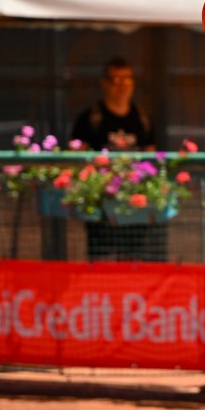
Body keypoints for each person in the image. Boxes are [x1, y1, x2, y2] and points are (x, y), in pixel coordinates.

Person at [70, 57, 164, 262]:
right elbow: (77, 157)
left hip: (134, 206)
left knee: (134, 260)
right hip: (102, 206)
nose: (122, 86)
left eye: (127, 79)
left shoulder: (142, 119)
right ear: (105, 83)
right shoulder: (90, 118)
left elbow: (152, 159)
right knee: (101, 261)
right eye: (116, 80)